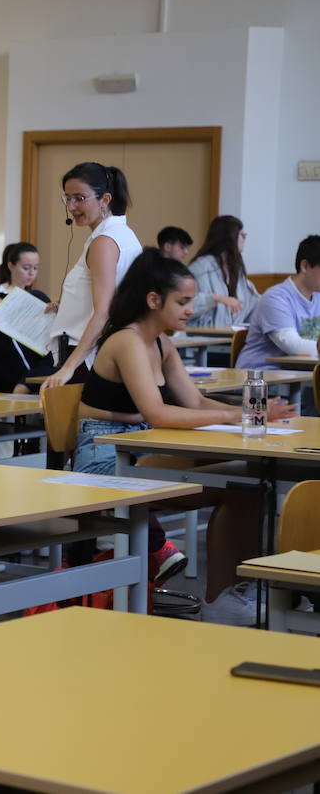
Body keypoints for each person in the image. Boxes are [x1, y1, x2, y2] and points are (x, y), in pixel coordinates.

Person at [74, 250, 294, 622]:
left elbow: (193, 400)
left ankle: (224, 597)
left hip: (143, 442)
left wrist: (246, 411)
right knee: (236, 479)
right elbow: (157, 413)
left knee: (246, 484)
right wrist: (241, 416)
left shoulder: (162, 342)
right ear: (153, 299)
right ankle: (178, 563)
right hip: (104, 453)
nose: (191, 310)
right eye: (183, 302)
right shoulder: (127, 340)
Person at [43, 163, 141, 390]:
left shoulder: (104, 241)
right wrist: (67, 305)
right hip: (104, 349)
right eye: (67, 198)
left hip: (90, 355)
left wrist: (68, 367)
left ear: (105, 199)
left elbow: (104, 312)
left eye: (79, 198)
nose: (71, 206)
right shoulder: (121, 233)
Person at [236, 235, 320, 370]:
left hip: (299, 375)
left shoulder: (317, 296)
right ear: (305, 266)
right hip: (260, 376)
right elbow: (291, 344)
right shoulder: (276, 298)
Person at [186, 215, 260, 329]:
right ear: (230, 237)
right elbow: (185, 306)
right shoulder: (200, 268)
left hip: (228, 339)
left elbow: (253, 302)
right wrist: (216, 299)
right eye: (242, 235)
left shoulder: (235, 269)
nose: (244, 239)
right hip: (201, 340)